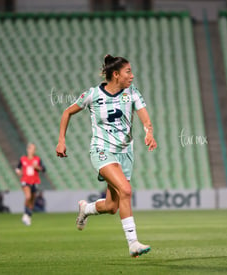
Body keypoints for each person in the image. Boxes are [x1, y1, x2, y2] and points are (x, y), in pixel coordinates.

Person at [56, 54, 157, 258]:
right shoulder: (92, 95)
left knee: (112, 206)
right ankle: (133, 243)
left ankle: (86, 208)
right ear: (115, 74)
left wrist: (149, 132)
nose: (132, 75)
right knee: (126, 190)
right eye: (128, 72)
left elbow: (145, 118)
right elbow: (67, 112)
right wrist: (61, 140)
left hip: (125, 153)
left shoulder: (132, 92)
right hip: (102, 150)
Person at [15, 143, 46, 225]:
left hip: (34, 182)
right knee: (28, 196)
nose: (33, 150)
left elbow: (43, 169)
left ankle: (28, 216)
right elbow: (17, 168)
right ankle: (25, 214)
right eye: (31, 148)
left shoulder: (37, 159)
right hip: (25, 181)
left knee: (32, 201)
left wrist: (37, 167)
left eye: (34, 149)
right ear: (28, 149)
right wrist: (18, 172)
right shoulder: (23, 159)